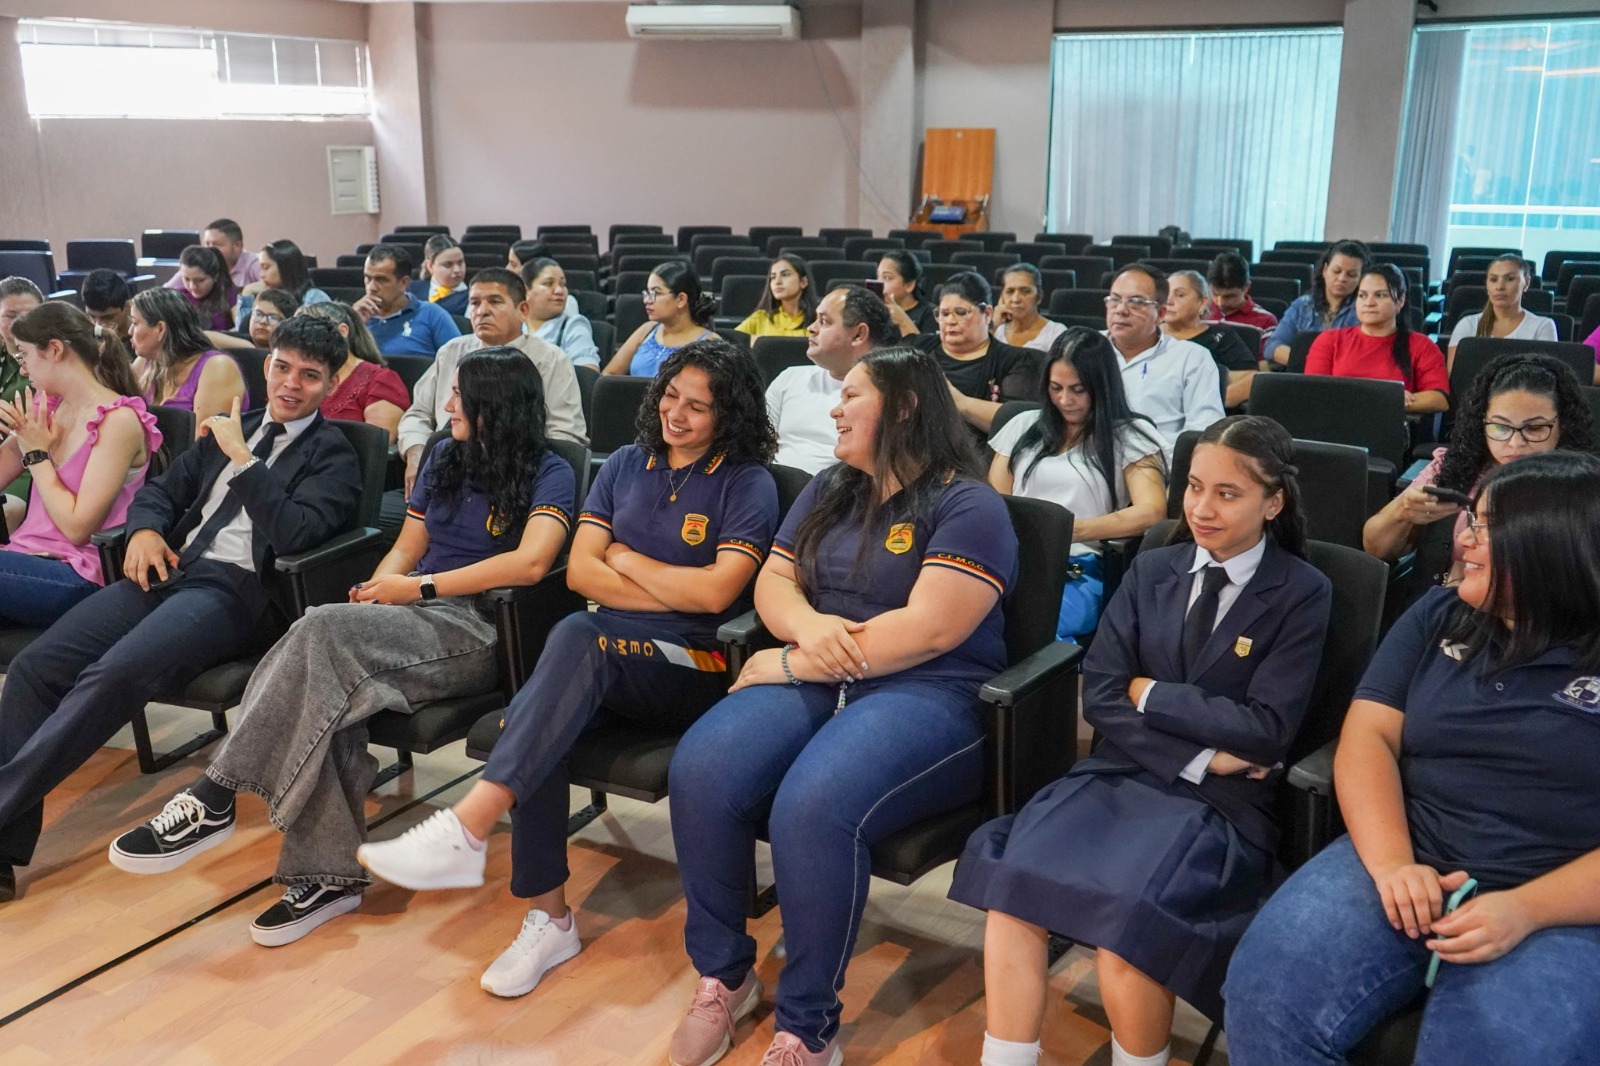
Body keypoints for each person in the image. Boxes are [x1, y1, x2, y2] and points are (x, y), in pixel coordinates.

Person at [356, 338, 780, 997]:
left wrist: (629, 562)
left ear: (731, 416)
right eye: (671, 396)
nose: (677, 414)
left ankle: (468, 825)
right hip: (612, 653)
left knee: (578, 635)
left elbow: (717, 596)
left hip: (695, 664)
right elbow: (581, 569)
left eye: (698, 407)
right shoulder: (626, 466)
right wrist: (661, 580)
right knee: (540, 714)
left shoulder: (746, 480)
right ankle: (548, 919)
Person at [109, 348, 574, 945]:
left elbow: (532, 563)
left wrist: (416, 588)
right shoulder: (443, 453)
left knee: (322, 637)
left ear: (498, 406)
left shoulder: (548, 468)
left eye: (460, 396)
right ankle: (327, 879)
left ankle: (214, 796)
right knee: (329, 669)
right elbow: (407, 547)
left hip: (485, 628)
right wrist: (378, 594)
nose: (446, 404)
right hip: (417, 613)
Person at [662, 346, 1017, 1066]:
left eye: (851, 394)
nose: (834, 407)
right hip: (826, 674)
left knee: (813, 804)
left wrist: (794, 656)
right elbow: (774, 585)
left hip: (933, 690)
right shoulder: (831, 483)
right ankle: (725, 978)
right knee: (700, 767)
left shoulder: (968, 502)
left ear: (906, 407)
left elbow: (931, 628)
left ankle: (806, 1027)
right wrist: (811, 632)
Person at [951, 415, 1331, 1066]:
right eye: (1193, 487)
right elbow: (1101, 692)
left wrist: (1152, 693)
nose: (1201, 508)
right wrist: (1201, 756)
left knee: (1130, 929)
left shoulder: (1302, 591)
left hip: (1221, 809)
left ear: (1274, 503)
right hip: (1124, 775)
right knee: (1014, 893)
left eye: (1227, 494)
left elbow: (1266, 729)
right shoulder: (1154, 566)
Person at [1224, 450, 1600, 1066]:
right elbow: (1367, 739)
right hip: (1409, 849)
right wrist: (1395, 863)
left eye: (1484, 526)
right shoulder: (1441, 613)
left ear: (1550, 546)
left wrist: (1525, 909)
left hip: (1559, 899)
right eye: (1469, 520)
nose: (1463, 538)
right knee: (1267, 993)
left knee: (1497, 1048)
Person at [0, 315, 361, 903]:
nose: (292, 384)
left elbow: (296, 535)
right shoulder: (229, 427)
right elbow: (160, 494)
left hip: (235, 592)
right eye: (282, 367)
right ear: (266, 366)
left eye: (310, 376)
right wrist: (143, 532)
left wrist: (247, 463)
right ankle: (2, 854)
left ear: (329, 384)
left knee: (113, 675)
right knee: (37, 671)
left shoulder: (333, 455)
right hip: (169, 568)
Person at [1362, 353, 1591, 601]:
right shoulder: (1454, 466)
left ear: (1563, 425)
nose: (1515, 443)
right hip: (1444, 609)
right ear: (1482, 423)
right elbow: (1375, 547)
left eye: (1534, 428)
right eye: (1500, 427)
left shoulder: (1580, 485)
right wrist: (1403, 513)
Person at [988, 328, 1167, 640]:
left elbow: (1151, 511)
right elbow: (996, 500)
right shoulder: (1023, 425)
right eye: (1055, 388)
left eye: (1078, 389)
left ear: (1101, 387)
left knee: (1025, 627)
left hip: (1078, 569)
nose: (1065, 400)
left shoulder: (1131, 435)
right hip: (1012, 561)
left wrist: (1070, 530)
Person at [0, 303, 161, 626]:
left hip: (79, 574)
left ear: (55, 350)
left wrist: (36, 455)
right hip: (25, 558)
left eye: (24, 355)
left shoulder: (118, 421)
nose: (23, 370)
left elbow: (77, 529)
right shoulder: (45, 407)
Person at [399, 269, 586, 497]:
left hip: (510, 484)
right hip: (441, 476)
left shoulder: (550, 359)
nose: (482, 311)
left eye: (495, 302)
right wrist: (417, 450)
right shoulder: (451, 351)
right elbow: (417, 414)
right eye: (475, 303)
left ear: (523, 310)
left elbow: (564, 436)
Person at [768, 284, 897, 473]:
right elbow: (758, 444)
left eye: (824, 321)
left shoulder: (887, 391)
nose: (811, 328)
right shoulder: (789, 377)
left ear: (858, 334)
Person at [1102, 265, 1226, 451]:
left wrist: (1154, 462)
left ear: (1160, 314)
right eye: (1115, 299)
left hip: (1160, 465)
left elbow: (1204, 432)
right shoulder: (1084, 348)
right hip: (1087, 464)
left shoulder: (1192, 358)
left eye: (1136, 302)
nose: (1121, 310)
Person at [1305, 264, 1449, 415]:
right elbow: (1315, 392)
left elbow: (1439, 399)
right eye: (1362, 295)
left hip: (1390, 429)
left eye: (1380, 295)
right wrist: (1386, 398)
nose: (1369, 303)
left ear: (1400, 301)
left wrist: (1389, 403)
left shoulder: (1421, 345)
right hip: (1334, 425)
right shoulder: (1329, 340)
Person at [922, 271, 1043, 434]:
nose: (950, 321)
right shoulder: (919, 349)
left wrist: (960, 403)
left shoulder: (1018, 361)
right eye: (944, 314)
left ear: (987, 314)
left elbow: (1020, 423)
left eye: (960, 312)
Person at [130, 288, 249, 432]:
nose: (130, 331)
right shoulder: (146, 362)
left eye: (135, 323)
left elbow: (203, 444)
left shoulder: (218, 368)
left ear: (160, 329)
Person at [296, 302, 410, 444]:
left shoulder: (380, 381)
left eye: (310, 334)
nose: (301, 343)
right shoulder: (295, 378)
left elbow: (374, 447)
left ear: (342, 331)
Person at [1163, 270, 1259, 408]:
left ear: (1202, 302)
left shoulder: (1220, 337)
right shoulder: (1147, 335)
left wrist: (1210, 401)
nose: (1169, 301)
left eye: (1180, 295)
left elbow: (1251, 379)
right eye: (1166, 294)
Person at [603, 261, 715, 377]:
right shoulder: (647, 330)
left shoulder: (709, 343)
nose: (646, 300)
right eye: (647, 293)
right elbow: (609, 374)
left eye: (655, 293)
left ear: (681, 299)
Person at [1266, 239, 1367, 366]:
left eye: (1351, 275)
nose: (1342, 279)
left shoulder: (1365, 310)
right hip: (1301, 375)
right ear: (1325, 270)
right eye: (1337, 271)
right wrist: (1312, 363)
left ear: (1361, 278)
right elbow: (1273, 346)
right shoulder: (1302, 305)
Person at [1446, 253, 1557, 368]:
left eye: (1510, 279)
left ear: (1527, 283)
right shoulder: (1468, 324)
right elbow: (1455, 375)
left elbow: (1546, 377)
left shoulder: (1543, 326)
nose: (1499, 287)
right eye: (1493, 279)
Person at [352, 245, 461, 358]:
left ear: (404, 283)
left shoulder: (432, 315)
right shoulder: (356, 316)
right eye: (367, 278)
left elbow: (460, 360)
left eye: (381, 280)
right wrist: (353, 323)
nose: (371, 287)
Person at [0, 278, 44, 529]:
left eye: (29, 315)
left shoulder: (47, 365)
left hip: (26, 461)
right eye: (10, 315)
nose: (18, 323)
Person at [519, 258, 600, 369]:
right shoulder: (513, 325)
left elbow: (588, 374)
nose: (559, 291)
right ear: (526, 291)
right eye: (548, 283)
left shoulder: (573, 325)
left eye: (562, 284)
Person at [238, 239, 331, 322]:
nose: (261, 275)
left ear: (285, 268)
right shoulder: (262, 295)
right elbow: (243, 332)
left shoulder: (314, 298)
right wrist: (247, 294)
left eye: (266, 267)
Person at [163, 218, 261, 292]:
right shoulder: (199, 263)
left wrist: (247, 290)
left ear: (237, 246)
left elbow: (273, 290)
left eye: (216, 245)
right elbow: (164, 292)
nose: (209, 249)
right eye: (207, 244)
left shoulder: (253, 263)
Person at [735, 254, 816, 340]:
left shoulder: (819, 320)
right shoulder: (760, 317)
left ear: (803, 282)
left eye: (785, 275)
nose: (777, 282)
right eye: (773, 277)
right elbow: (731, 342)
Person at [1202, 253, 1278, 341]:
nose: (1220, 302)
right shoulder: (1198, 312)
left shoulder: (1266, 321)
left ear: (1246, 287)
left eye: (1229, 296)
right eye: (1215, 294)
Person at [992, 264, 1067, 353]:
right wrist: (992, 326)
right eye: (1010, 291)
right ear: (1002, 298)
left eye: (1025, 291)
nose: (1016, 299)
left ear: (1039, 297)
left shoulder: (1055, 332)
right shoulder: (996, 331)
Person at [173, 245, 236, 332]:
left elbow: (241, 330)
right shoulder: (176, 297)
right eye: (186, 279)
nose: (192, 286)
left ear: (215, 276)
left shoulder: (230, 296)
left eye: (200, 280)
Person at [877, 249, 937, 336]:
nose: (879, 283)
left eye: (887, 278)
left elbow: (925, 348)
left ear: (909, 285)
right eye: (878, 276)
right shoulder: (876, 311)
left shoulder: (929, 314)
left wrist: (902, 321)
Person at [406, 234, 469, 316]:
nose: (457, 270)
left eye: (460, 263)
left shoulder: (473, 297)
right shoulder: (410, 290)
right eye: (448, 265)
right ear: (430, 266)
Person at [81, 269, 134, 350]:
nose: (98, 325)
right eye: (92, 316)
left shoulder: (145, 343)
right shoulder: (84, 342)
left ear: (128, 307)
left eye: (108, 317)